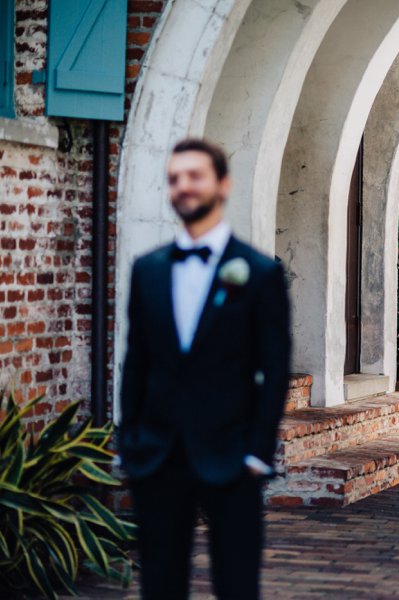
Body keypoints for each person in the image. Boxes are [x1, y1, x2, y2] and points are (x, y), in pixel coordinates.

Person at [119, 138, 291, 599]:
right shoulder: (147, 270)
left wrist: (258, 452)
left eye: (194, 176)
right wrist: (131, 442)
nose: (183, 187)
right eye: (175, 178)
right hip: (158, 457)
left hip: (232, 457)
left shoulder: (258, 273)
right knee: (161, 585)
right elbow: (136, 362)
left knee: (236, 586)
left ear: (222, 184)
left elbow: (275, 368)